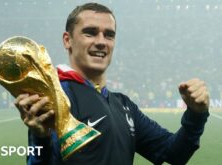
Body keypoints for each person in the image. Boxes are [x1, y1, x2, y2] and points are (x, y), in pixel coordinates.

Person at [14, 2, 210, 165]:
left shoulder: (123, 105)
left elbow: (174, 153)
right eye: (90, 33)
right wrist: (41, 138)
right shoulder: (57, 97)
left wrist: (196, 114)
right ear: (68, 40)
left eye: (109, 35)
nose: (101, 42)